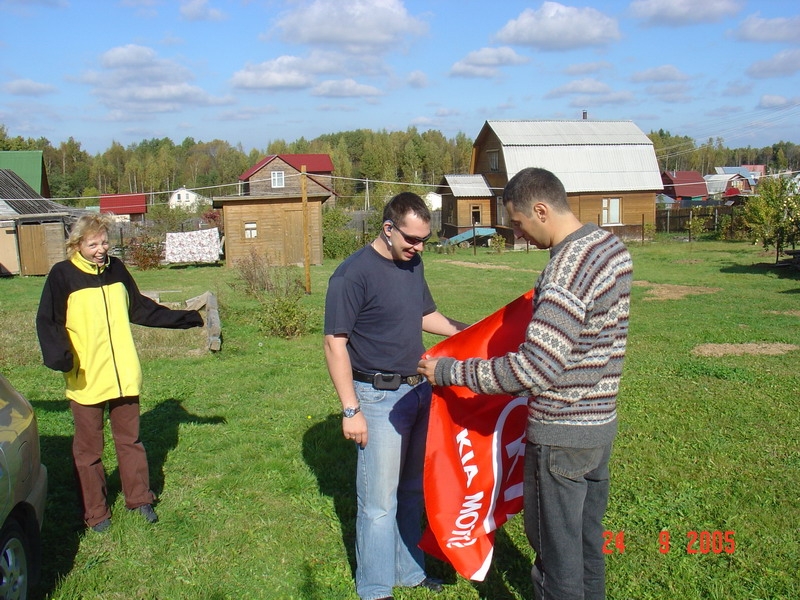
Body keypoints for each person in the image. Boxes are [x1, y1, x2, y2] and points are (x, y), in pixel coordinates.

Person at [418, 167, 632, 600]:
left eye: (518, 222)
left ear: (540, 209)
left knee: (557, 560)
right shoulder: (611, 247)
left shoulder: (565, 270)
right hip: (599, 426)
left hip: (560, 435)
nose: (518, 233)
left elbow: (534, 369)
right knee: (588, 543)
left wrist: (449, 371)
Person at [324, 192, 467, 600]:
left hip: (418, 393)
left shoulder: (413, 264)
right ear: (388, 229)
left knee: (411, 491)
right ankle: (374, 588)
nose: (419, 248)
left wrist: (468, 334)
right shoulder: (351, 275)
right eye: (412, 240)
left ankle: (409, 572)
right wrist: (351, 409)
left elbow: (424, 315)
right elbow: (335, 344)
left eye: (424, 241)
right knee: (378, 502)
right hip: (376, 397)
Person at [36, 213, 204, 533]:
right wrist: (61, 357)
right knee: (89, 451)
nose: (101, 249)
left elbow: (140, 308)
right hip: (86, 376)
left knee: (131, 441)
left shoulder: (117, 269)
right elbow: (48, 321)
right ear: (77, 245)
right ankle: (97, 513)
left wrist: (185, 319)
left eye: (104, 242)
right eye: (93, 244)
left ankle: (139, 498)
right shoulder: (62, 275)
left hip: (123, 374)